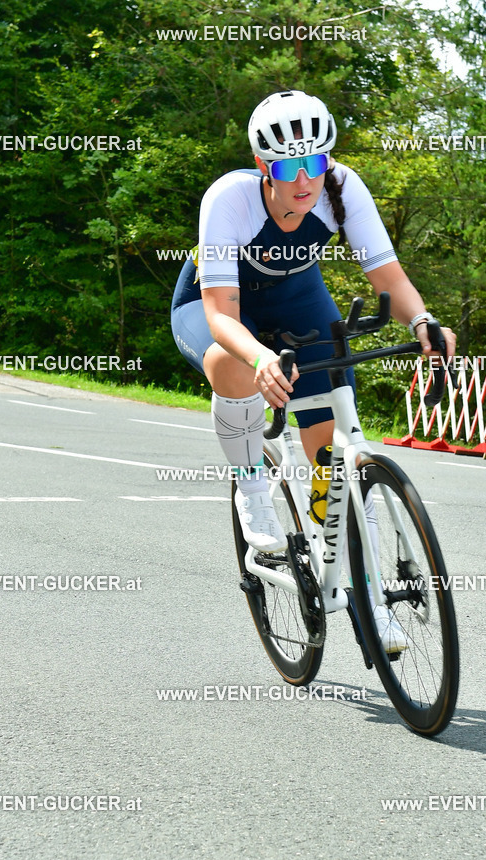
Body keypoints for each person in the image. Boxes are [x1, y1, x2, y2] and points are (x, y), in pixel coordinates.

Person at [171, 89, 456, 649]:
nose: (306, 180)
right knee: (229, 364)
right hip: (223, 309)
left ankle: (372, 599)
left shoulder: (343, 188)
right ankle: (251, 485)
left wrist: (421, 321)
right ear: (263, 166)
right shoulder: (228, 200)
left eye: (316, 162)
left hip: (298, 300)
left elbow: (389, 278)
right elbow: (221, 314)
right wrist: (260, 359)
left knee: (332, 455)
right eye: (289, 166)